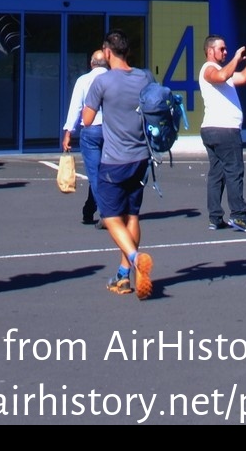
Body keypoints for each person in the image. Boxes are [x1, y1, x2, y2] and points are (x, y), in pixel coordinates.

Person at [82, 29, 156, 300]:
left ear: (107, 52)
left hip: (114, 160)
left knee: (112, 218)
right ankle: (124, 276)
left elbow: (87, 120)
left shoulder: (102, 82)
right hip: (141, 158)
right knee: (132, 216)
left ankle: (136, 259)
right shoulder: (145, 76)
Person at [199, 34, 246, 232]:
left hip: (217, 129)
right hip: (223, 130)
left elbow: (245, 77)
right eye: (221, 49)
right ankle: (238, 216)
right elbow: (222, 76)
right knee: (234, 172)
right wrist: (236, 57)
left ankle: (215, 217)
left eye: (226, 49)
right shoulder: (209, 69)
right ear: (210, 51)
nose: (225, 52)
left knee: (218, 174)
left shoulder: (225, 72)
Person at [60, 49, 109, 227]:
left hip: (91, 130)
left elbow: (76, 108)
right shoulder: (113, 79)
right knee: (106, 171)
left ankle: (106, 213)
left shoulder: (83, 80)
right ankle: (89, 208)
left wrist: (68, 133)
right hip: (112, 131)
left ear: (91, 63)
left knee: (94, 172)